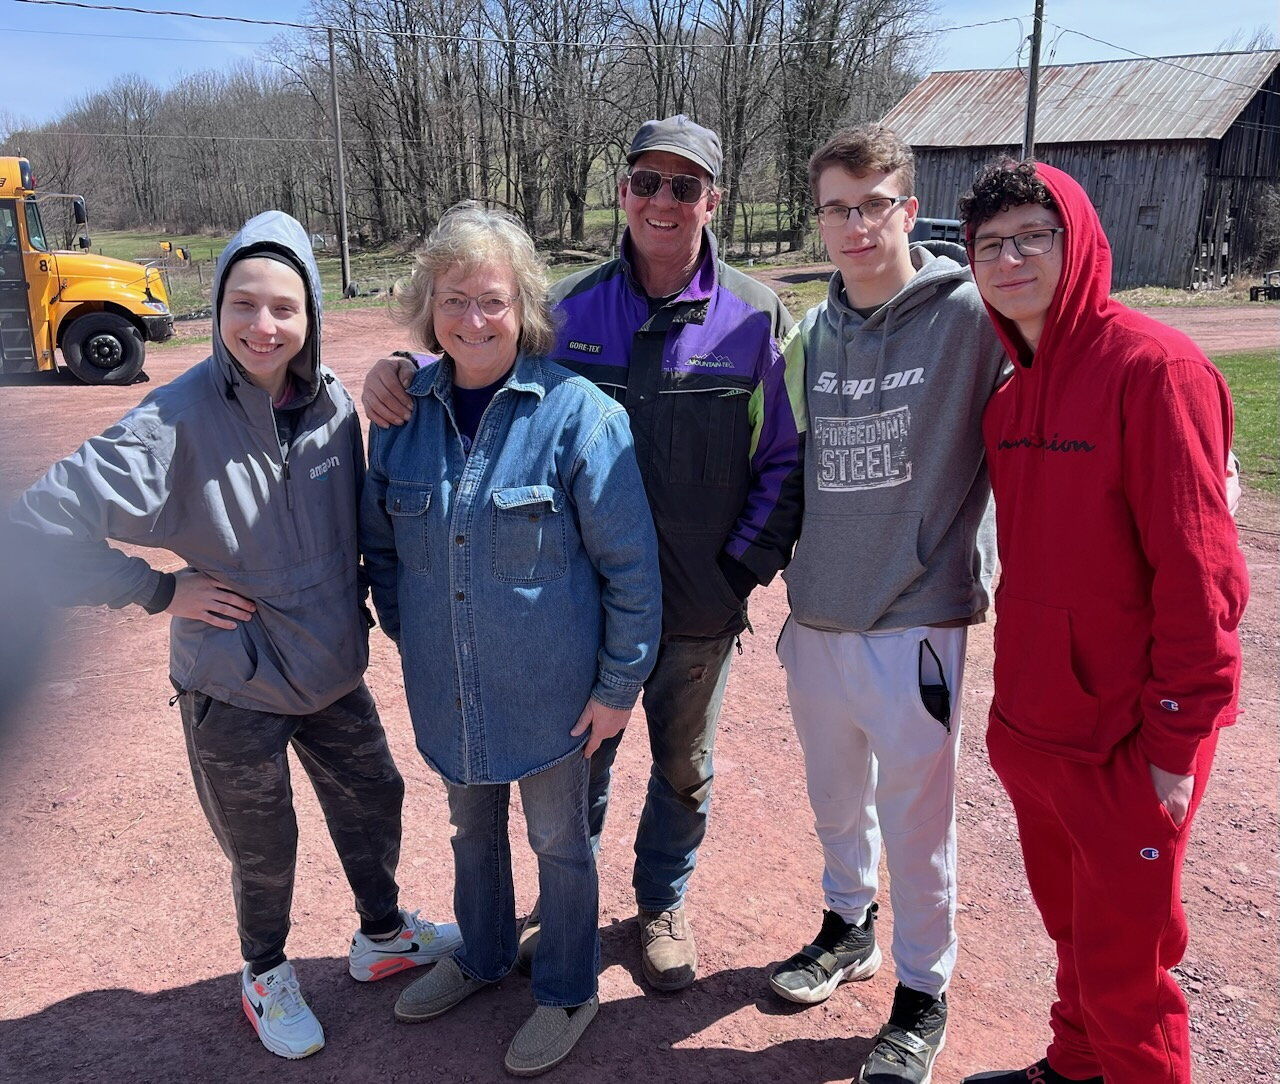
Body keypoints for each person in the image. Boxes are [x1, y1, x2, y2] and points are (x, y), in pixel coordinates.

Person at [362, 115, 803, 991]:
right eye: (647, 181)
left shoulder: (756, 315)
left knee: (683, 770)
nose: (663, 201)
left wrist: (734, 574)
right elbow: (481, 364)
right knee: (576, 772)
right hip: (573, 602)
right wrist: (396, 370)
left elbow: (785, 461)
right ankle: (566, 917)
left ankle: (659, 902)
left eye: (685, 186)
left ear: (712, 198)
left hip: (696, 604)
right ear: (623, 191)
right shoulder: (568, 308)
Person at [9, 212, 461, 1060]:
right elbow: (35, 524)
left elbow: (463, 352)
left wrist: (401, 363)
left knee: (376, 801)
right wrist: (154, 588)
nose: (264, 326)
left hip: (330, 667)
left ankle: (382, 935)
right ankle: (264, 973)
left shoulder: (331, 403)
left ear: (311, 316)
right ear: (216, 309)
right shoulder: (173, 419)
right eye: (243, 305)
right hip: (234, 684)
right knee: (265, 850)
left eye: (284, 308)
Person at [957, 160, 1248, 1084]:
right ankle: (1074, 1065)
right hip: (1038, 727)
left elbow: (1202, 576)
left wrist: (1174, 741)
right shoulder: (1007, 399)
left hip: (1130, 739)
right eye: (990, 244)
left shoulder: (1155, 369)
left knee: (1129, 969)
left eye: (1033, 236)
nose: (1010, 259)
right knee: (1069, 927)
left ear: (1077, 241)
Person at [360, 202, 662, 1077]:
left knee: (560, 845)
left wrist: (617, 687)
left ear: (523, 307)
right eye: (452, 299)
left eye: (491, 299)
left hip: (556, 698)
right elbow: (382, 545)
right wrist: (412, 629)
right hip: (448, 686)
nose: (472, 319)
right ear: (430, 311)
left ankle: (567, 987)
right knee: (469, 832)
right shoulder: (404, 416)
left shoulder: (579, 417)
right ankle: (485, 952)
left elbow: (630, 571)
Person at [767, 124, 1008, 1084]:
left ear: (909, 209)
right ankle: (848, 925)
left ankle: (922, 989)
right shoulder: (810, 335)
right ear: (818, 219)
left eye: (874, 204)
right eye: (837, 207)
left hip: (916, 616)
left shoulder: (970, 317)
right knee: (835, 801)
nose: (856, 224)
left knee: (917, 817)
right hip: (818, 614)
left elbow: (1077, 362)